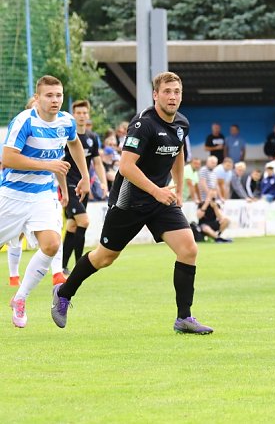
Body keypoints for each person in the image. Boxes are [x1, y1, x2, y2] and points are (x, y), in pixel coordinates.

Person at [52, 71, 214, 335]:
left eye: (177, 92)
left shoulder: (182, 123)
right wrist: (156, 191)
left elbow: (178, 152)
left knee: (189, 249)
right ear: (155, 95)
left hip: (160, 199)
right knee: (105, 258)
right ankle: (64, 291)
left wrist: (179, 189)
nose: (173, 97)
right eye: (167, 92)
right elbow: (126, 167)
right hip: (129, 201)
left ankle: (184, 318)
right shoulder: (143, 124)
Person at [1, 75, 90, 328]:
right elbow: (8, 158)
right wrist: (47, 165)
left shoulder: (66, 121)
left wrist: (83, 176)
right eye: (49, 96)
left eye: (59, 95)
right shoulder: (24, 121)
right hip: (12, 196)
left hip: (42, 195)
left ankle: (20, 298)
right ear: (37, 98)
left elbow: (75, 145)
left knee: (51, 245)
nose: (55, 100)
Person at [62, 99, 109, 276]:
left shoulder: (91, 138)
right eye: (78, 113)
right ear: (73, 116)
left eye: (84, 113)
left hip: (84, 186)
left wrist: (103, 183)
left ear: (88, 115)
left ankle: (63, 266)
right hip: (69, 184)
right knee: (84, 221)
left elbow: (97, 163)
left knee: (73, 225)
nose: (82, 116)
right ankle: (79, 265)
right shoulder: (68, 137)